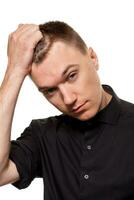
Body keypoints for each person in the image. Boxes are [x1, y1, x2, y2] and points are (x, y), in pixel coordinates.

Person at [0, 21, 134, 200]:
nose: (69, 99)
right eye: (50, 90)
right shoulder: (42, 134)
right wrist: (14, 71)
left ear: (93, 57)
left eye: (71, 76)